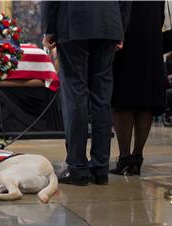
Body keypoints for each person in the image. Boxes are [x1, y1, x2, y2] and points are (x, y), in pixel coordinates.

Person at [42, 1, 131, 186]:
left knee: (74, 95)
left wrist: (49, 28)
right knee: (102, 98)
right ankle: (100, 169)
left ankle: (77, 168)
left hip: (73, 22)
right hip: (109, 24)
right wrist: (120, 27)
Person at [110, 2, 165, 175]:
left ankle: (125, 157)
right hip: (152, 36)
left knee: (123, 95)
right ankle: (137, 156)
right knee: (145, 97)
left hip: (127, 32)